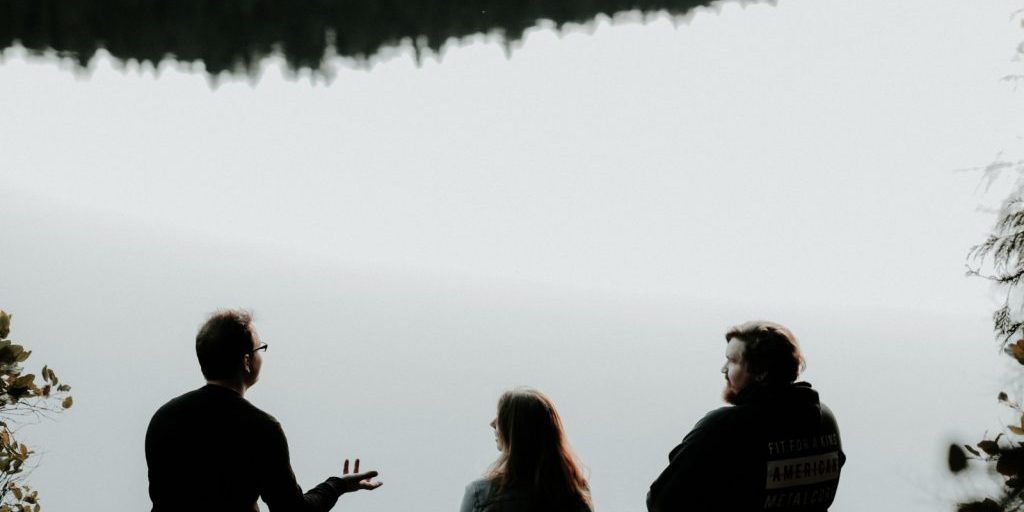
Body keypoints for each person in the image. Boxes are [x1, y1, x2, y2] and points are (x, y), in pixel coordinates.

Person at [146, 309, 382, 512]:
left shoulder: (164, 417)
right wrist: (338, 485)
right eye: (261, 348)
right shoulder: (260, 428)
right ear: (246, 361)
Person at [647, 321, 844, 511]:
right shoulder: (825, 419)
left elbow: (661, 502)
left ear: (761, 371)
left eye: (732, 361)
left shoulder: (723, 427)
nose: (724, 369)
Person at [460, 388, 592, 512]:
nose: (493, 424)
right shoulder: (575, 492)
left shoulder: (479, 495)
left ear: (516, 432)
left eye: (501, 418)